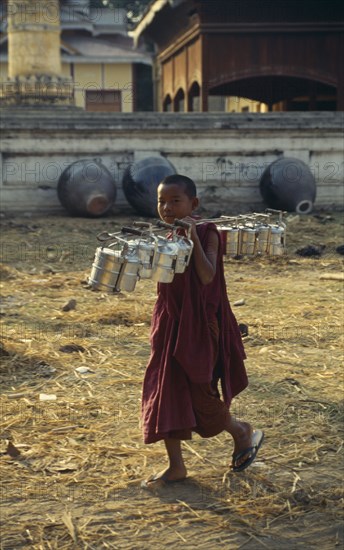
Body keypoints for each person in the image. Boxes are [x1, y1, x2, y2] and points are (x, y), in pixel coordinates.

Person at [141, 174, 264, 487]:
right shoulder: (167, 236)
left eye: (175, 201)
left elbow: (207, 276)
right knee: (164, 388)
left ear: (193, 204)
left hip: (199, 327)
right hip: (169, 322)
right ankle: (176, 466)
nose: (167, 207)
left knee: (201, 390)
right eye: (161, 201)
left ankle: (240, 430)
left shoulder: (209, 232)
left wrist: (192, 237)